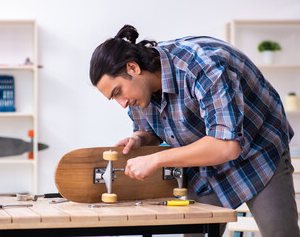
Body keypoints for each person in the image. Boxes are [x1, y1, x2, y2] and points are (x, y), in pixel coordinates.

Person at [89, 25, 300, 237]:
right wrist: (139, 139)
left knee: (280, 233)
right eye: (114, 98)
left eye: (119, 92)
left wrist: (156, 159)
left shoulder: (202, 65)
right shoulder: (139, 95)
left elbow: (226, 146)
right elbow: (149, 129)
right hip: (204, 167)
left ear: (133, 68)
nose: (122, 104)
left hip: (258, 150)